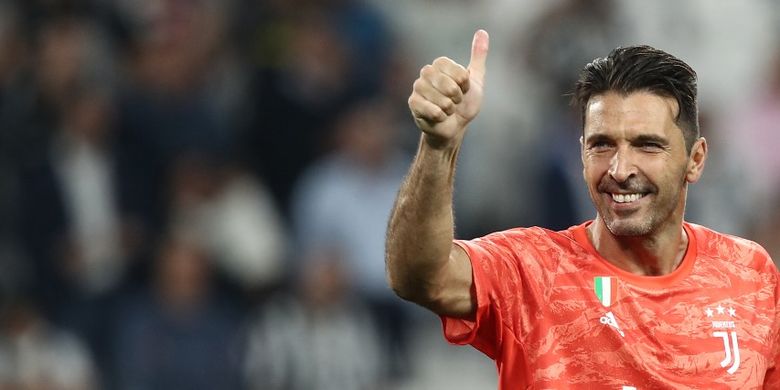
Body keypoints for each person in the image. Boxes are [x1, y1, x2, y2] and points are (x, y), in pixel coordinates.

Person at [385, 29, 780, 388]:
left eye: (647, 145)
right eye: (602, 144)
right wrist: (439, 146)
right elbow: (419, 276)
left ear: (694, 160)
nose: (620, 170)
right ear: (581, 152)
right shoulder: (532, 272)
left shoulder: (750, 274)